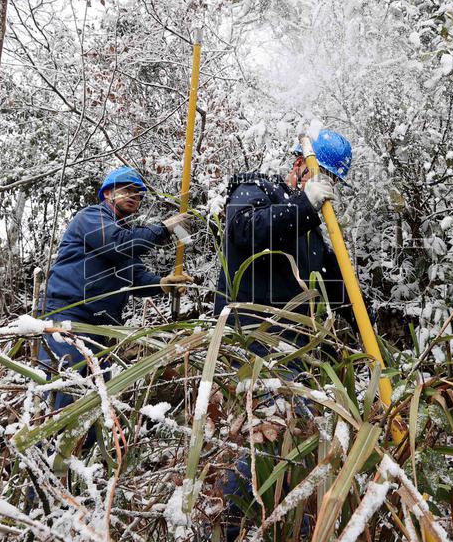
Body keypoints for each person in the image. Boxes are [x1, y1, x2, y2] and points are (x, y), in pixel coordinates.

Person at [40, 166, 192, 402]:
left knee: (93, 403)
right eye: (126, 190)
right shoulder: (91, 217)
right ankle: (46, 439)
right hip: (68, 319)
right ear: (108, 194)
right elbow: (117, 245)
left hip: (99, 329)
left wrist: (162, 283)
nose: (134, 196)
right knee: (62, 394)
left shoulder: (124, 233)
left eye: (138, 194)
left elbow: (135, 277)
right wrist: (163, 228)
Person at [214, 129, 353, 352]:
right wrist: (304, 204)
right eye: (322, 176)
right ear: (299, 164)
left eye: (332, 181)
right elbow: (245, 229)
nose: (327, 187)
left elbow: (336, 284)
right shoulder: (256, 187)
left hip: (292, 346)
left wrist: (366, 320)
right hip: (247, 339)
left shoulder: (311, 231)